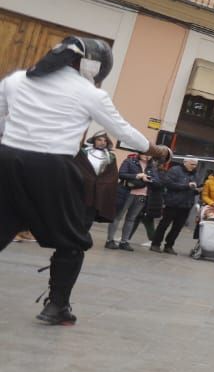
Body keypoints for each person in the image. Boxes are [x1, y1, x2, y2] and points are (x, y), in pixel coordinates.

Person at [0, 35, 170, 324]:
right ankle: (57, 307)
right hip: (52, 166)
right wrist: (157, 150)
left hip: (7, 158)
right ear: (94, 67)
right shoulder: (90, 94)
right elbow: (123, 131)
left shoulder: (16, 80)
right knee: (72, 239)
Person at [153, 157, 202, 253]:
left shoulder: (196, 174)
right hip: (173, 202)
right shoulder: (175, 170)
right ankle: (155, 244)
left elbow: (195, 188)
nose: (194, 166)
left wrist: (198, 190)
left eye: (195, 165)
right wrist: (186, 186)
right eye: (192, 164)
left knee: (177, 227)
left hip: (186, 204)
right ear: (185, 162)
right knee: (164, 224)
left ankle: (169, 246)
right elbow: (168, 184)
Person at [106, 149, 153, 249]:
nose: (147, 156)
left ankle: (124, 242)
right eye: (145, 153)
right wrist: (137, 176)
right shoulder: (129, 161)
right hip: (127, 193)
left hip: (142, 195)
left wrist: (150, 179)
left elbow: (157, 180)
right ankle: (110, 240)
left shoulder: (152, 166)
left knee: (131, 219)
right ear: (139, 153)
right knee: (118, 216)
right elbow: (121, 174)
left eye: (149, 155)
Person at [78, 132, 119, 230]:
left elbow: (112, 175)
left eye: (105, 140)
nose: (102, 142)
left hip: (97, 191)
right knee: (77, 214)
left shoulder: (110, 157)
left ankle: (82, 235)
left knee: (88, 217)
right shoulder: (84, 152)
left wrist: (102, 184)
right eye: (99, 140)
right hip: (82, 189)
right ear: (94, 140)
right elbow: (78, 168)